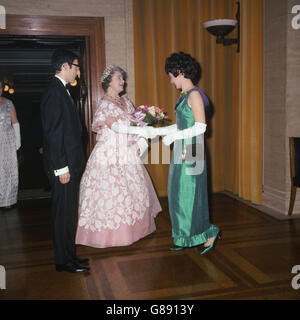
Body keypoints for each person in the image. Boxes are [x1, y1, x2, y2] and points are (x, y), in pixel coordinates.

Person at [75, 65, 162, 248]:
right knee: (113, 193)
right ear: (108, 83)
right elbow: (116, 128)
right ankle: (111, 235)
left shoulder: (127, 102)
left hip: (128, 152)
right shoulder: (104, 105)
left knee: (134, 191)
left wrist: (142, 134)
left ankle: (136, 230)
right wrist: (140, 131)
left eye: (123, 78)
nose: (123, 81)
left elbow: (135, 125)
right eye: (119, 78)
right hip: (110, 154)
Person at [151, 52, 220, 254]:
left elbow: (201, 127)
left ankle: (207, 233)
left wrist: (174, 138)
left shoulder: (195, 95)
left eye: (171, 76)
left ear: (180, 72)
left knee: (189, 194)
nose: (171, 81)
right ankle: (184, 236)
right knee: (178, 193)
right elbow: (182, 125)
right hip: (184, 148)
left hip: (193, 149)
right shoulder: (185, 96)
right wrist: (160, 132)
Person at [40, 49, 89, 273]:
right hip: (63, 166)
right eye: (76, 66)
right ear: (65, 66)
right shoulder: (54, 91)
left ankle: (70, 256)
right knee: (63, 214)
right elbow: (53, 133)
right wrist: (61, 168)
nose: (78, 70)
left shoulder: (62, 90)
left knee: (69, 213)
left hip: (69, 163)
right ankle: (63, 261)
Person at [0, 79, 21, 209]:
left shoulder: (8, 103)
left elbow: (15, 123)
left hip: (7, 141)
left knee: (7, 171)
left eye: (0, 87)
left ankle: (6, 201)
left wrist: (17, 142)